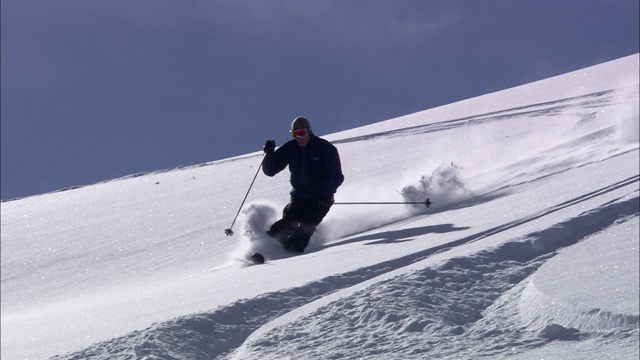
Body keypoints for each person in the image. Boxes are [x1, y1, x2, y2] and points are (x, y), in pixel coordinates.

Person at [262, 116, 344, 253]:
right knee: (288, 221)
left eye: (301, 133)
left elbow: (337, 176)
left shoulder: (325, 148)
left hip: (321, 198)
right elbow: (270, 171)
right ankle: (267, 249)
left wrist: (325, 194)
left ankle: (294, 250)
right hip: (300, 196)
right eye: (295, 134)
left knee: (307, 225)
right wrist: (269, 155)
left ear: (309, 131)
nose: (299, 138)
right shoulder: (291, 148)